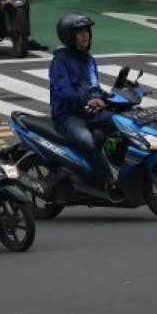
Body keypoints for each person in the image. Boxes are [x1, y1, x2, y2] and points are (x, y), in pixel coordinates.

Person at [48, 13, 117, 185]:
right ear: (69, 36)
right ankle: (103, 180)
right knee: (87, 140)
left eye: (87, 31)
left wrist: (106, 97)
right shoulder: (60, 61)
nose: (85, 34)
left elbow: (94, 86)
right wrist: (88, 101)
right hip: (67, 115)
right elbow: (65, 92)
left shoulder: (89, 60)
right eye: (80, 32)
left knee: (119, 124)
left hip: (89, 112)